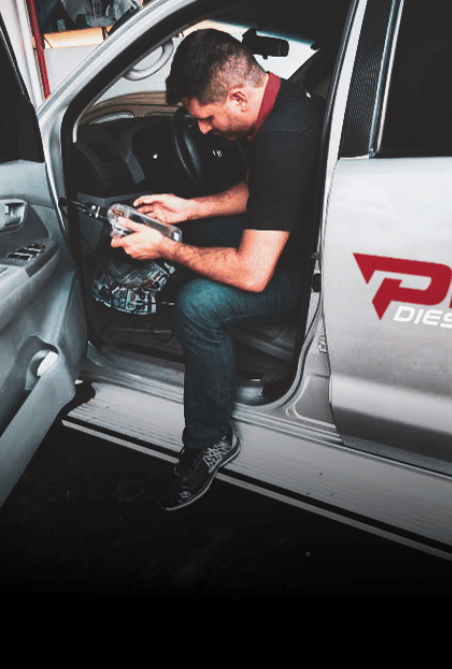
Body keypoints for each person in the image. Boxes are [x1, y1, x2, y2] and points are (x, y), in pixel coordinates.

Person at [110, 29, 322, 510]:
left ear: (238, 97)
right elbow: (261, 188)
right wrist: (188, 210)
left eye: (207, 117)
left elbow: (251, 273)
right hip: (291, 238)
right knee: (198, 234)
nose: (203, 130)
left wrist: (166, 249)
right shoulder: (281, 101)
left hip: (310, 269)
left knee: (197, 307)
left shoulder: (284, 137)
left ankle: (209, 441)